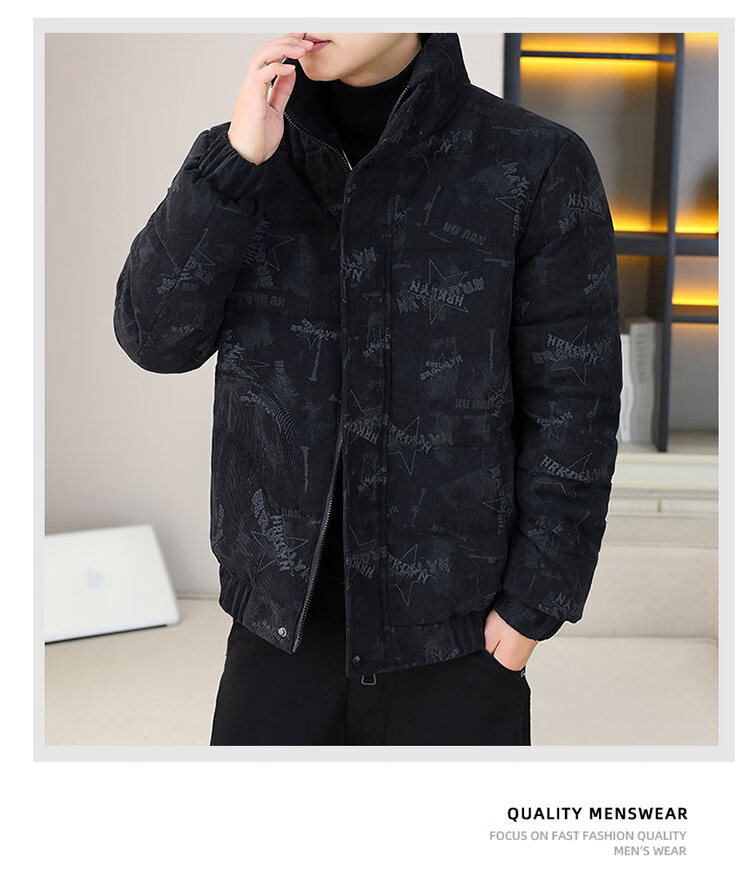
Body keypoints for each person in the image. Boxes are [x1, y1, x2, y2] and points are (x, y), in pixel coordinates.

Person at [113, 32, 622, 746]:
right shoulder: (249, 157)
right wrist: (233, 164)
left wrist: (532, 607)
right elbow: (154, 338)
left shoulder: (533, 162)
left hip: (455, 643)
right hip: (277, 637)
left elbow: (575, 405)